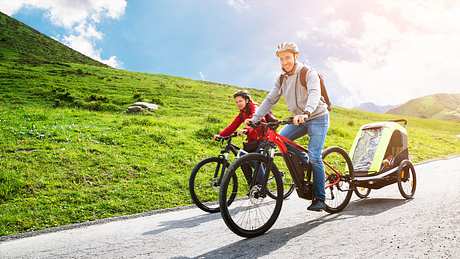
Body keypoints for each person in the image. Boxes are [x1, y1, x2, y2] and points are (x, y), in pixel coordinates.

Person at [246, 42, 330, 211]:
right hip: (298, 119)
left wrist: (306, 112)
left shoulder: (308, 73)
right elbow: (270, 99)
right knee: (282, 140)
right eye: (282, 59)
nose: (285, 62)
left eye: (288, 57)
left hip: (317, 117)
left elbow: (315, 93)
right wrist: (255, 118)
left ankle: (320, 198)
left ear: (295, 56)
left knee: (315, 156)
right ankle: (305, 162)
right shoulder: (281, 78)